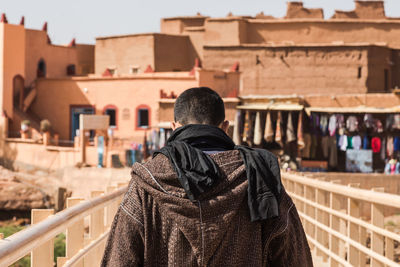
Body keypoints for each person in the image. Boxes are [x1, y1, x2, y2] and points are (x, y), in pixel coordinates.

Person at [101, 87, 312, 266]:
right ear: (225, 128)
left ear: (174, 128)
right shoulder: (260, 177)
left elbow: (120, 258)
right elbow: (293, 256)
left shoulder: (148, 181)